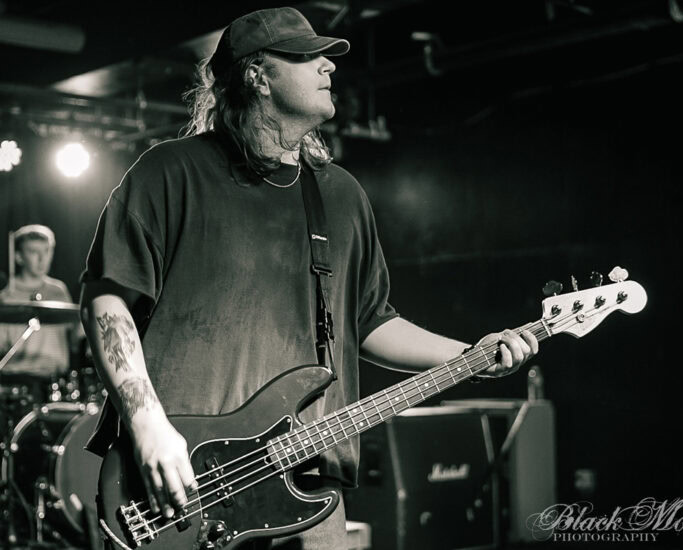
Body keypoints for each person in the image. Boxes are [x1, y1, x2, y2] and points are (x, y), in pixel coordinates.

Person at [79, 7, 538, 550]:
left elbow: (370, 322)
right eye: (307, 56)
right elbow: (107, 300)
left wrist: (471, 355)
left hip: (306, 488)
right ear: (258, 75)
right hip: (181, 487)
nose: (330, 67)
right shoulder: (170, 172)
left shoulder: (340, 195)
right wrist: (146, 424)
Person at [0, 225, 72, 387]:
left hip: (56, 381)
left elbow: (76, 339)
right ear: (18, 257)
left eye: (47, 251)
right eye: (33, 252)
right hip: (16, 382)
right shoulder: (5, 297)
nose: (42, 258)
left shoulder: (59, 290)